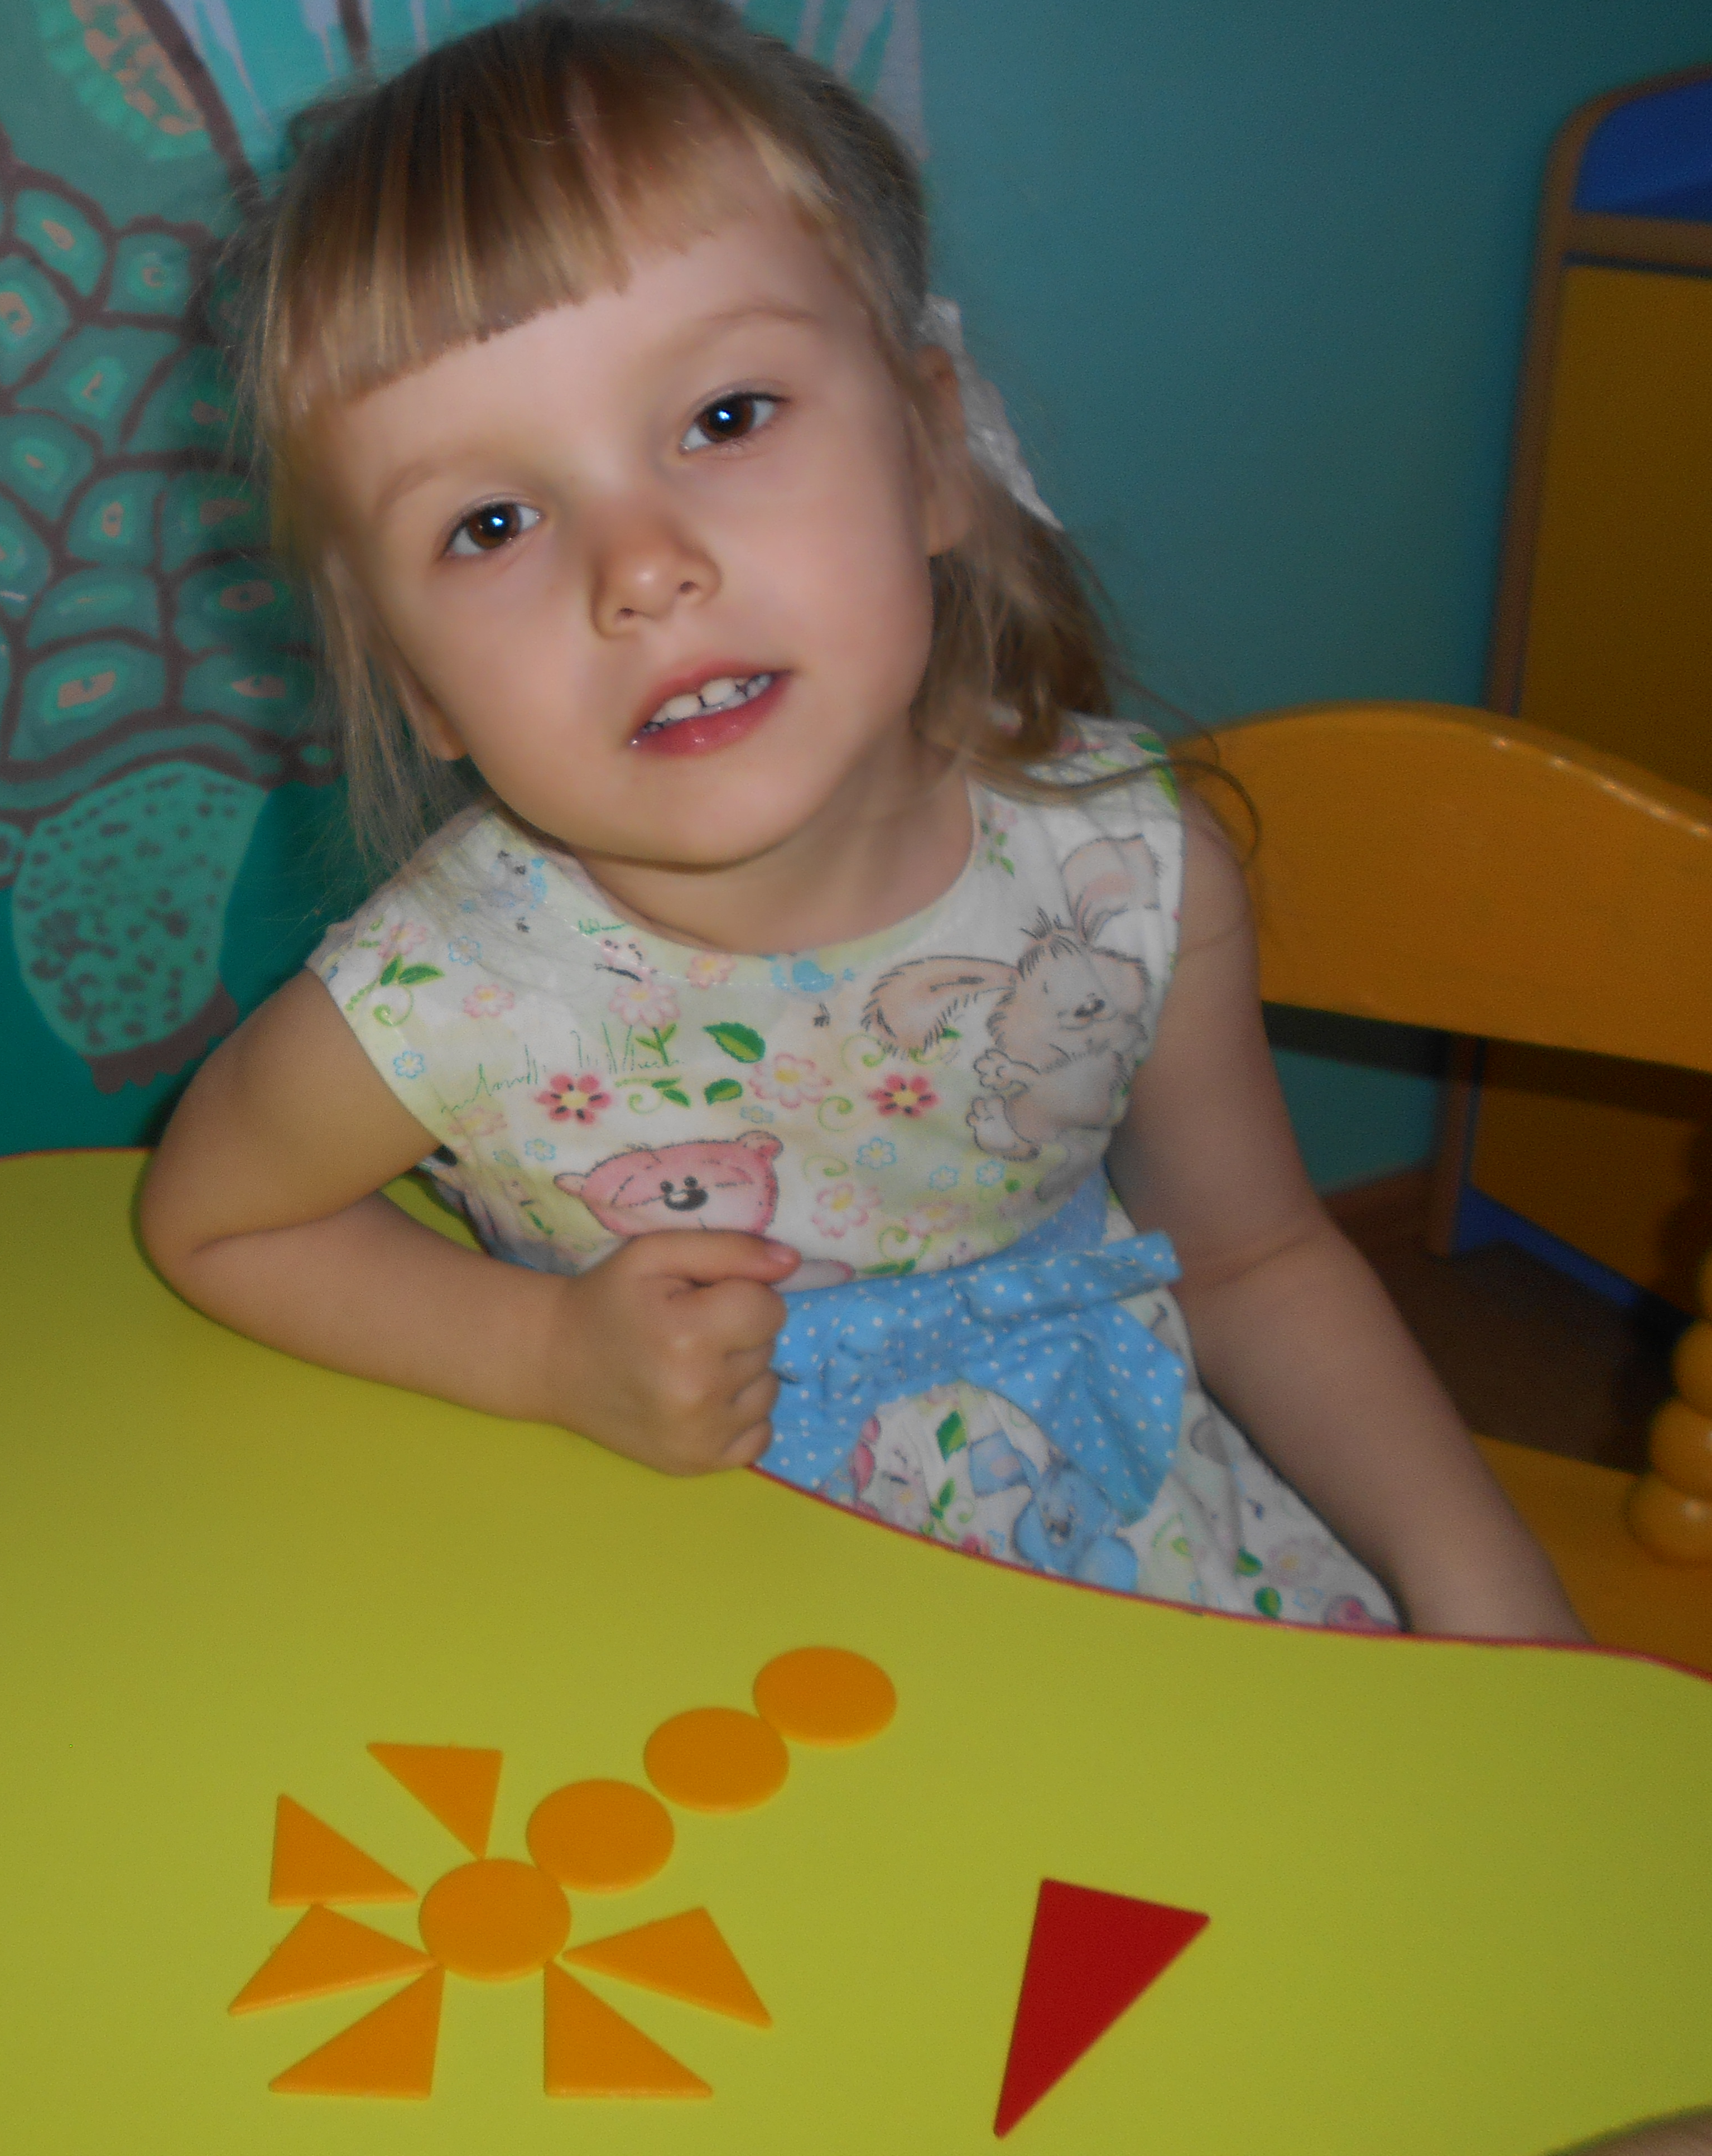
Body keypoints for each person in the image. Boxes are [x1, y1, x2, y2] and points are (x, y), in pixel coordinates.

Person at [139, 0, 1581, 1643]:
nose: (642, 569)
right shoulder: (444, 990)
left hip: (1116, 1556)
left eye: (724, 418)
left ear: (933, 450)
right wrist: (541, 1355)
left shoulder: (1130, 871)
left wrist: (1482, 1580)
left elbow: (1255, 1263)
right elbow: (213, 1218)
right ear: (420, 691)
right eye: (491, 522)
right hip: (666, 1603)